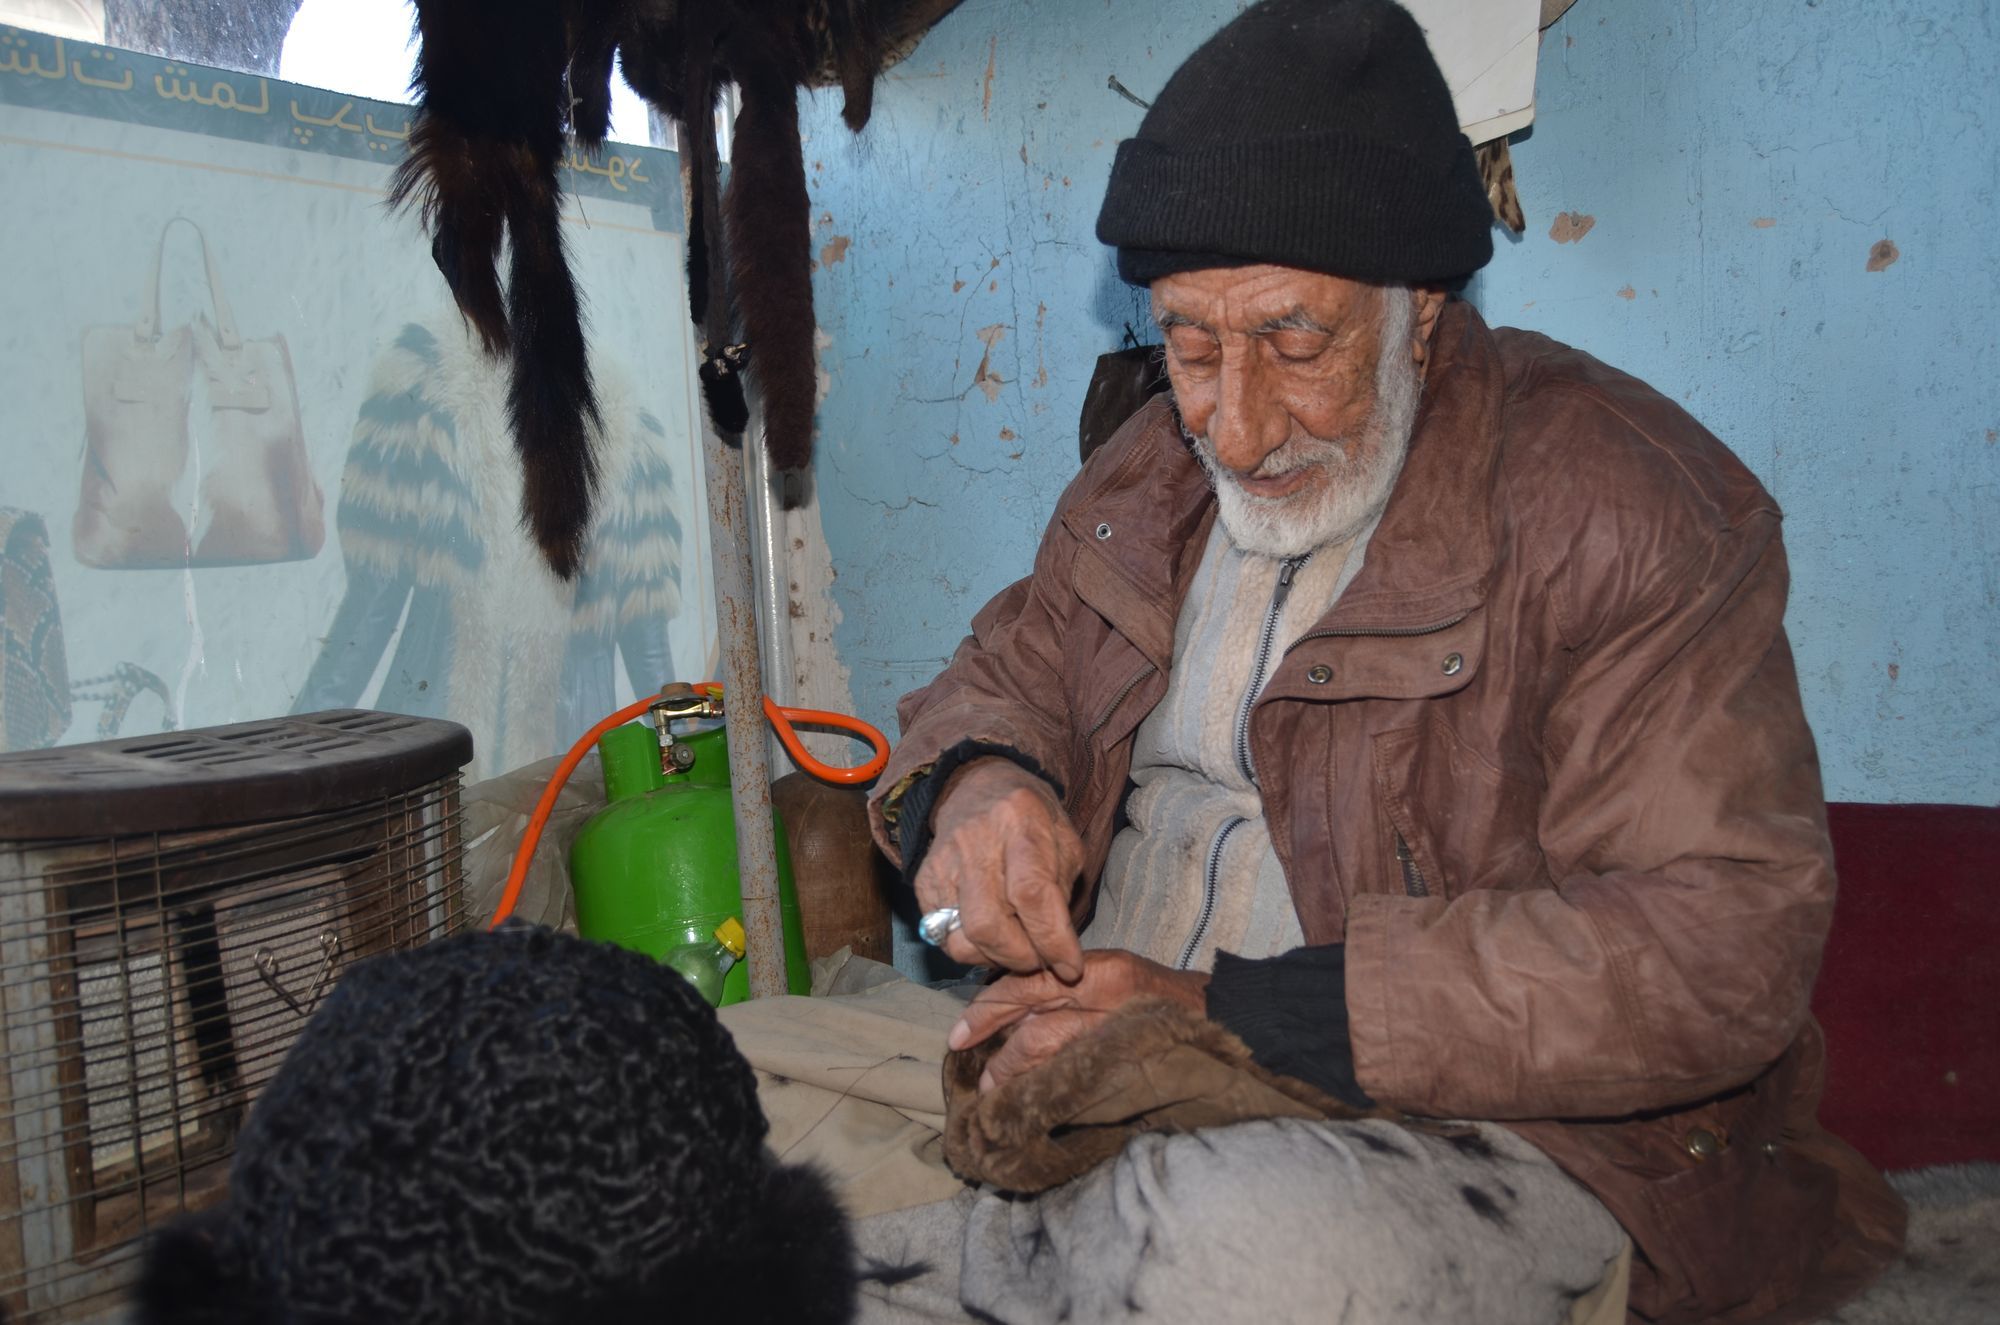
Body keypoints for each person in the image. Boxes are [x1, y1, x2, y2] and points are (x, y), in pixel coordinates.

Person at [861, 2, 1904, 1322]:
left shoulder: (1624, 505)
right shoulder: (1146, 478)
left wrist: (1226, 1009)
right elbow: (992, 681)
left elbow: (1721, 946)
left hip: (1472, 1130)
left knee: (1231, 1259)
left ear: (1420, 310)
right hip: (1094, 1069)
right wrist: (976, 786)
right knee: (678, 1104)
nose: (1233, 428)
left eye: (1295, 344)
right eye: (1189, 348)